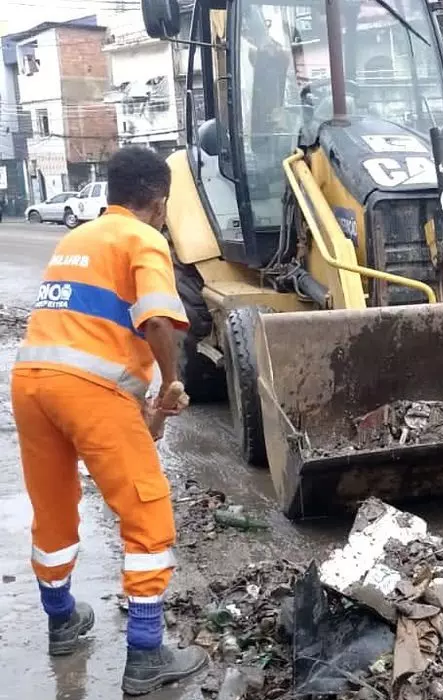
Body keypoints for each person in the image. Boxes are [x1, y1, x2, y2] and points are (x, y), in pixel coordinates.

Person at [11, 146, 208, 695]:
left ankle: (62, 621)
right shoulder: (143, 238)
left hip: (31, 384)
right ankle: (146, 654)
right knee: (147, 513)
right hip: (87, 392)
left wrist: (145, 406)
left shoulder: (78, 238)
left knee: (53, 508)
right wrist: (171, 386)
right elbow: (158, 320)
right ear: (159, 202)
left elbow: (88, 327)